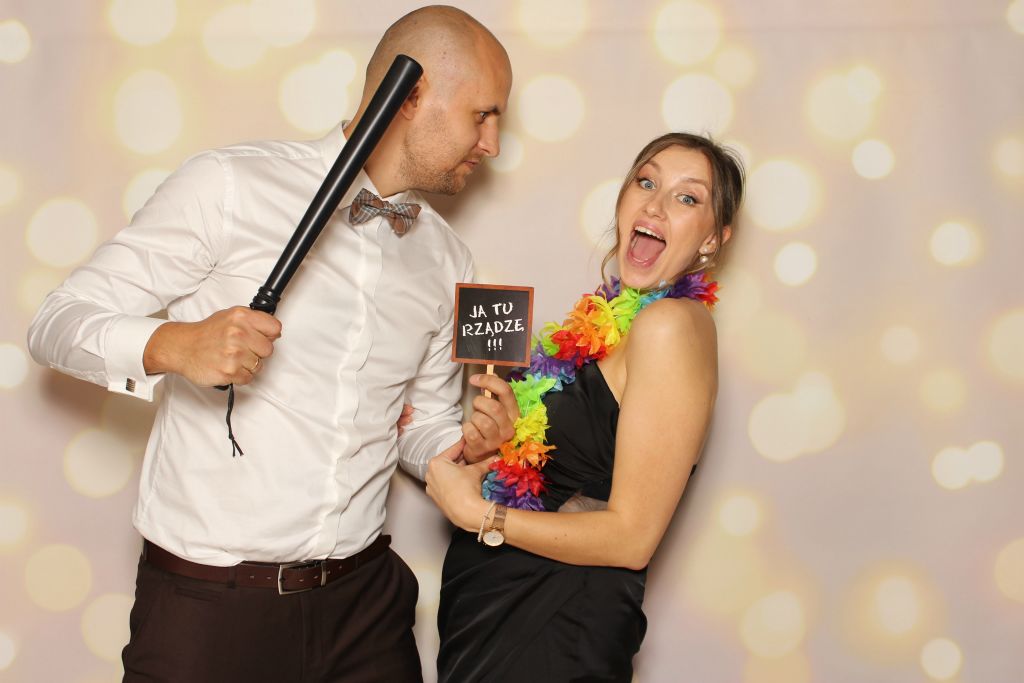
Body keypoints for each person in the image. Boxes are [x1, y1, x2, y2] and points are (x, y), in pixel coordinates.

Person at [27, 6, 514, 683]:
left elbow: (419, 422)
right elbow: (56, 322)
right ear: (410, 96)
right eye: (482, 115)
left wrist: (466, 444)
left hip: (366, 610)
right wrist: (175, 344)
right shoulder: (230, 186)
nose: (492, 144)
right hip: (209, 606)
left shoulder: (448, 257)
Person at [425, 132, 745, 682]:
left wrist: (480, 515)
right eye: (646, 182)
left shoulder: (670, 325)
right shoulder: (609, 324)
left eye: (687, 197)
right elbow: (574, 475)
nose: (655, 205)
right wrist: (500, 443)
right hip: (495, 614)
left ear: (714, 238)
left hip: (557, 625)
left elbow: (632, 539)